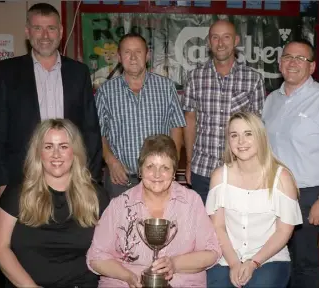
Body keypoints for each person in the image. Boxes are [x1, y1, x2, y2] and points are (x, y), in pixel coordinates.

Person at [0, 3, 102, 198]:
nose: (45, 36)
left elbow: (90, 130)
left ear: (61, 31)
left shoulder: (78, 72)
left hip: (72, 181)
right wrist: (1, 181)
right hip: (21, 179)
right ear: (27, 31)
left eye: (51, 28)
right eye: (38, 28)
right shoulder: (7, 71)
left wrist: (91, 179)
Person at [262, 39, 319, 288]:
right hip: (273, 193)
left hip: (307, 195)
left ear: (312, 67)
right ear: (280, 63)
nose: (293, 62)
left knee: (304, 263)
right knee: (275, 259)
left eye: (301, 58)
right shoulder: (271, 100)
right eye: (288, 57)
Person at [87, 134, 221, 288]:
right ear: (140, 170)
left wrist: (175, 264)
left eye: (165, 168)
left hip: (181, 282)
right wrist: (128, 276)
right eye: (150, 167)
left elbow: (212, 251)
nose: (157, 175)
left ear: (174, 172)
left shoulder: (191, 202)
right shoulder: (119, 205)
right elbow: (95, 257)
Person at [0, 119, 107, 287]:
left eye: (64, 146)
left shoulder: (97, 196)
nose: (56, 154)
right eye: (48, 146)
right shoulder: (16, 194)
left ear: (75, 152)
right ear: (38, 153)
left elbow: (110, 251)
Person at [206, 112, 303, 288]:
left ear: (261, 137)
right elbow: (217, 226)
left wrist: (253, 263)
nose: (241, 141)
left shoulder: (282, 178)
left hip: (269, 259)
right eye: (234, 135)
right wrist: (234, 262)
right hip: (227, 257)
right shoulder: (219, 177)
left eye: (248, 134)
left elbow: (283, 231)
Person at [182, 19, 265, 204]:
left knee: (236, 229)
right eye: (215, 37)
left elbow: (257, 128)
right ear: (208, 43)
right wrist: (188, 162)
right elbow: (190, 120)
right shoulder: (195, 77)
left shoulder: (253, 79)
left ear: (236, 41)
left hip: (239, 169)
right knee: (202, 229)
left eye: (226, 37)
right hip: (202, 169)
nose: (221, 43)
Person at [95, 33, 186, 199]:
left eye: (138, 51)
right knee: (120, 225)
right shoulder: (105, 92)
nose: (133, 57)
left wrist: (172, 164)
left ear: (148, 55)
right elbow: (99, 133)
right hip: (120, 180)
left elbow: (176, 127)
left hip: (159, 178)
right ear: (119, 57)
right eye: (127, 52)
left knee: (159, 224)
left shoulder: (165, 87)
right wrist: (110, 161)